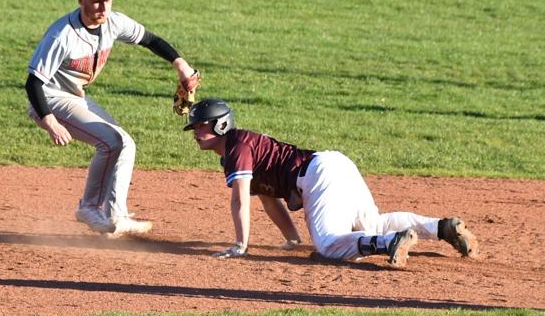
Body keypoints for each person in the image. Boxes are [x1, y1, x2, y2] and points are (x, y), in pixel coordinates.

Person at [183, 98, 480, 268]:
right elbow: (266, 199)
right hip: (334, 164)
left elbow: (240, 200)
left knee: (328, 246)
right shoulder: (238, 149)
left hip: (317, 175)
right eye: (194, 126)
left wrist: (240, 245)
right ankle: (440, 227)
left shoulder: (237, 146)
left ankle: (390, 243)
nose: (196, 132)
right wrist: (293, 239)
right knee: (372, 224)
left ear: (221, 124)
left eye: (201, 125)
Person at [26, 0, 199, 237]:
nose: (102, 7)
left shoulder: (113, 22)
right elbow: (33, 82)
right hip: (49, 101)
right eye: (96, 0)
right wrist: (50, 122)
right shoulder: (62, 35)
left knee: (125, 143)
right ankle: (89, 207)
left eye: (107, 0)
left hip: (75, 97)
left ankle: (116, 215)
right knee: (111, 142)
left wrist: (182, 66)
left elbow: (150, 40)